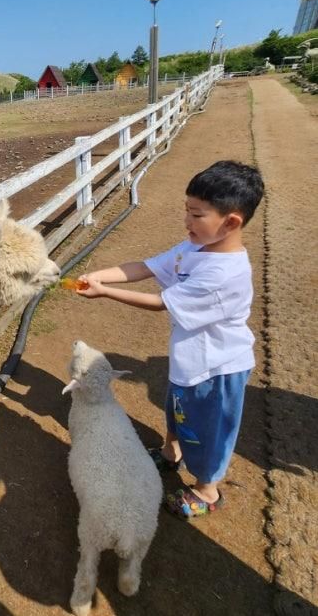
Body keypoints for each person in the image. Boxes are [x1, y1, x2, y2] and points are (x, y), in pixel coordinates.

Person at [77, 160, 264, 519]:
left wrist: (105, 293)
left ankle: (207, 490)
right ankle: (170, 453)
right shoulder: (195, 249)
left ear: (231, 222)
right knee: (176, 412)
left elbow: (162, 303)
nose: (187, 222)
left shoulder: (225, 273)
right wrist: (96, 277)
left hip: (216, 369)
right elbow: (146, 267)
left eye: (197, 214)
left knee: (208, 430)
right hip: (190, 360)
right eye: (186, 211)